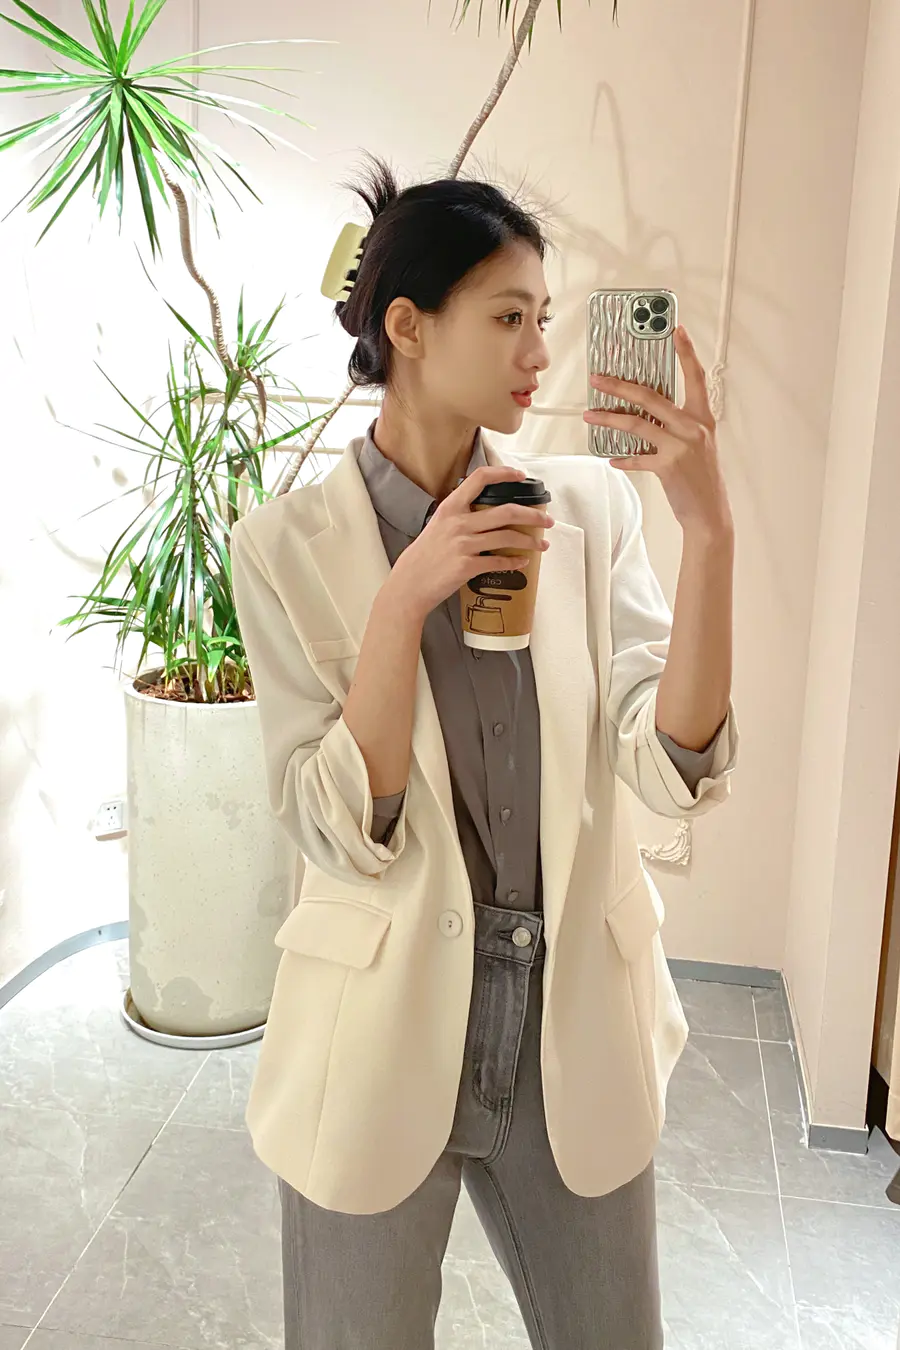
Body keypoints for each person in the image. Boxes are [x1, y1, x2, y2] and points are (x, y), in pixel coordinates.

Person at [230, 156, 739, 1350]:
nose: (539, 351)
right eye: (510, 318)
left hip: (573, 1016)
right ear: (409, 327)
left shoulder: (588, 509)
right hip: (374, 1025)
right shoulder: (284, 546)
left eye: (545, 319)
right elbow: (337, 827)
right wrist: (403, 601)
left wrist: (709, 530)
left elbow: (670, 765)